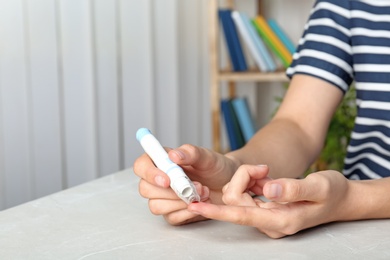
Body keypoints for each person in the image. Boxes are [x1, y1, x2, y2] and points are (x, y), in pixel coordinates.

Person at [134, 0, 390, 238]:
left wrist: (352, 200)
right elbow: (298, 126)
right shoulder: (345, 5)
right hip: (355, 231)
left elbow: (350, 199)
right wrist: (233, 170)